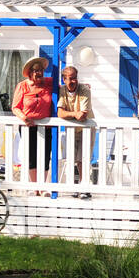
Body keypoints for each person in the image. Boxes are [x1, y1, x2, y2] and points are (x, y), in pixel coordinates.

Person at [11, 56, 53, 193]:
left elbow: (65, 86)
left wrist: (81, 87)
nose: (39, 73)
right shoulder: (22, 86)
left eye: (41, 70)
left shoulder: (48, 83)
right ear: (30, 73)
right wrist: (24, 118)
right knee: (31, 157)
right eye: (35, 70)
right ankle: (35, 187)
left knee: (45, 156)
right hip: (28, 127)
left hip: (45, 127)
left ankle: (43, 187)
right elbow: (15, 107)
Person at [56, 66, 94, 199]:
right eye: (69, 79)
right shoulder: (61, 90)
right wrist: (73, 113)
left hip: (86, 129)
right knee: (72, 158)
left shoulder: (84, 89)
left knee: (83, 159)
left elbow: (82, 115)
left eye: (74, 78)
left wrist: (71, 114)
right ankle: (74, 187)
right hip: (71, 130)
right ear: (64, 79)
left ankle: (84, 187)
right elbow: (60, 113)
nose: (72, 81)